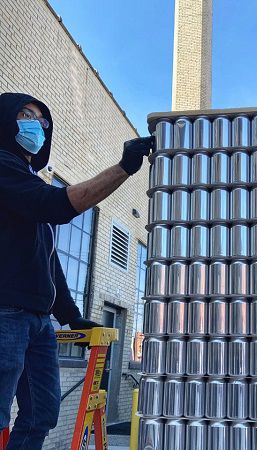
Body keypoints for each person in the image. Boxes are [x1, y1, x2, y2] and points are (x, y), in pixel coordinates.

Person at [0, 92, 153, 449]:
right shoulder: (3, 168)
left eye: (42, 121)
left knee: (41, 413)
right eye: (25, 115)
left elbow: (48, 261)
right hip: (6, 313)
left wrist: (69, 316)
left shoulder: (27, 179)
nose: (35, 125)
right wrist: (124, 168)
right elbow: (57, 205)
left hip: (37, 321)